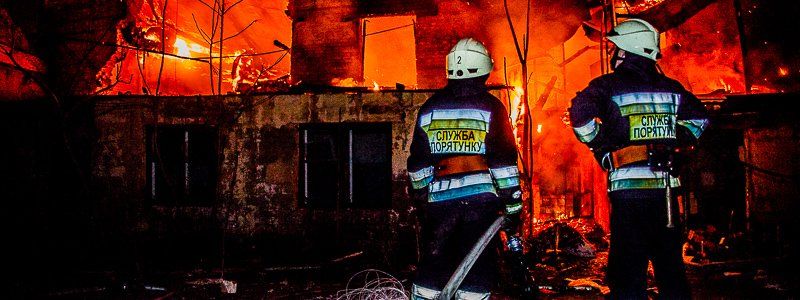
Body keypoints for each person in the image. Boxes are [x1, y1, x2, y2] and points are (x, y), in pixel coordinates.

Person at [568, 19, 709, 299]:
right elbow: (700, 119)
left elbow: (579, 113)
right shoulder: (672, 88)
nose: (612, 54)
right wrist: (675, 140)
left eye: (615, 49)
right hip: (665, 193)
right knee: (670, 268)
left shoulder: (607, 86)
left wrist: (600, 144)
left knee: (628, 271)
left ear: (626, 50)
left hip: (628, 192)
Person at [407, 38, 523, 300]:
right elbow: (504, 164)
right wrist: (513, 205)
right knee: (477, 271)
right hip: (480, 205)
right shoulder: (492, 107)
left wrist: (424, 198)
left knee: (434, 266)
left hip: (440, 205)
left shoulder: (430, 108)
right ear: (483, 69)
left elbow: (418, 164)